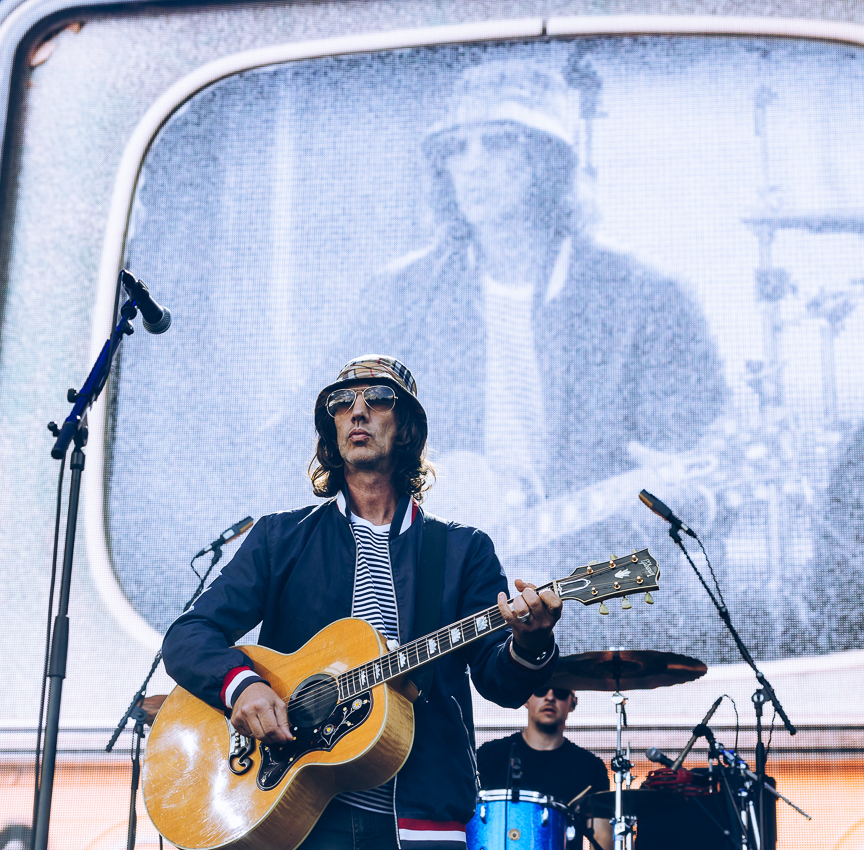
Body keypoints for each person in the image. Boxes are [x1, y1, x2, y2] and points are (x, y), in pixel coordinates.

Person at [161, 354, 564, 850]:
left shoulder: (462, 550)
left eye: (378, 399)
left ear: (407, 428)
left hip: (421, 816)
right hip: (298, 807)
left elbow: (500, 683)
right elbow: (188, 636)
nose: (357, 411)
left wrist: (531, 642)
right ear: (330, 428)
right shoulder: (280, 539)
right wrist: (241, 687)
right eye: (341, 402)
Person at [362, 60, 725, 529]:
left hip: (599, 560)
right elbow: (320, 437)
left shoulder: (647, 299)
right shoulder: (399, 297)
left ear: (547, 160)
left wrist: (674, 494)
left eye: (498, 142)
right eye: (457, 147)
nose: (472, 164)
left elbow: (701, 458)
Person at [476, 685, 613, 850]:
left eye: (560, 692)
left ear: (573, 703)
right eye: (541, 690)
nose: (550, 697)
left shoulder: (590, 767)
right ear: (526, 698)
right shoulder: (489, 756)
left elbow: (601, 836)